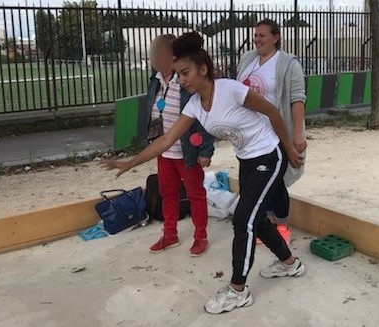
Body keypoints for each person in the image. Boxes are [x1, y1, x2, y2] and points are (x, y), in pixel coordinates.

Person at [101, 32, 306, 314]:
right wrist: (129, 163)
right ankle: (290, 263)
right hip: (247, 160)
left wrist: (290, 148)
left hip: (270, 156)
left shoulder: (231, 90)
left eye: (185, 73)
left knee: (243, 221)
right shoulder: (195, 105)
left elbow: (272, 112)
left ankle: (238, 290)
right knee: (255, 221)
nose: (182, 79)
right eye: (178, 74)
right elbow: (165, 140)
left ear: (203, 69)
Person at [142, 34, 214, 257]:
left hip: (188, 151)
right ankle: (169, 234)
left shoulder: (185, 80)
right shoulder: (155, 80)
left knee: (195, 194)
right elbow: (153, 111)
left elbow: (205, 116)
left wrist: (205, 151)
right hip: (164, 151)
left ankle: (200, 237)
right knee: (168, 192)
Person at [237, 19, 307, 245]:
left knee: (276, 181)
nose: (257, 39)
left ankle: (283, 225)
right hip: (251, 135)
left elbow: (297, 99)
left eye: (262, 35)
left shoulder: (288, 64)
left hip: (277, 133)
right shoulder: (247, 59)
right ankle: (263, 224)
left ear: (276, 37)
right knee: (256, 181)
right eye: (255, 35)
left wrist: (297, 134)